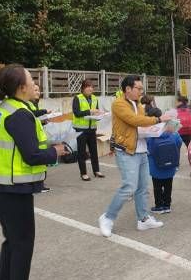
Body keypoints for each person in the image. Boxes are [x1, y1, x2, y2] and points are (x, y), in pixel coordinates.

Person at [0, 64, 67, 280]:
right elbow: (32, 155)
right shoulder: (19, 115)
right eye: (31, 81)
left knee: (12, 241)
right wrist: (55, 152)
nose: (34, 84)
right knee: (22, 243)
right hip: (12, 188)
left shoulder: (6, 107)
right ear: (21, 88)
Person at [98, 75, 170, 238]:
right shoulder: (118, 104)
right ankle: (107, 217)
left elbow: (141, 123)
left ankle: (143, 219)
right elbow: (134, 120)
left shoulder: (138, 104)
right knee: (129, 187)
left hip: (141, 149)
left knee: (143, 187)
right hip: (126, 150)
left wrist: (157, 128)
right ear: (128, 89)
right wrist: (158, 119)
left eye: (141, 88)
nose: (141, 91)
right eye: (138, 88)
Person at [72, 80, 105, 181]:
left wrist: (99, 114)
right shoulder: (77, 98)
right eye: (88, 86)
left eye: (91, 87)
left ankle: (96, 171)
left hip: (92, 129)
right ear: (83, 88)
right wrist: (89, 111)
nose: (90, 89)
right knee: (82, 152)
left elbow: (96, 111)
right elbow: (77, 113)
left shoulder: (94, 98)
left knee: (94, 151)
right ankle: (83, 173)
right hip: (81, 129)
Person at [147, 121, 183, 214]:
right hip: (170, 166)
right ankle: (167, 205)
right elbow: (179, 143)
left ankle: (159, 206)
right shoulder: (174, 135)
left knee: (157, 187)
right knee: (168, 186)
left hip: (156, 168)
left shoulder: (151, 137)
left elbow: (148, 150)